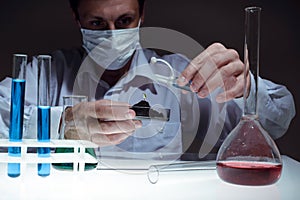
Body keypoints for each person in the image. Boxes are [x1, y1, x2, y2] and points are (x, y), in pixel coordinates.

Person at [0, 0, 295, 160]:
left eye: (125, 21)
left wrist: (245, 86)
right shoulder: (42, 76)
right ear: (76, 17)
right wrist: (61, 124)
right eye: (97, 23)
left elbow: (278, 121)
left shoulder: (183, 78)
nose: (113, 34)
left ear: (142, 15)